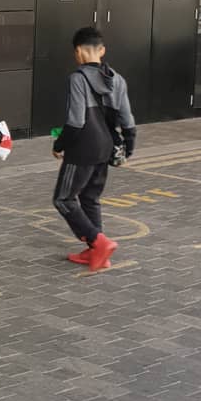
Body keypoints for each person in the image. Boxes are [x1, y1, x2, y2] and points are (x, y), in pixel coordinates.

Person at [52, 26, 136, 272]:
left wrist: (59, 145)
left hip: (82, 148)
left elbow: (76, 121)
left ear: (78, 51)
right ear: (102, 50)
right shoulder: (117, 79)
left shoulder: (77, 79)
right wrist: (128, 148)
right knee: (90, 198)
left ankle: (98, 242)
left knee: (63, 198)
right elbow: (128, 120)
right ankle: (95, 252)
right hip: (106, 147)